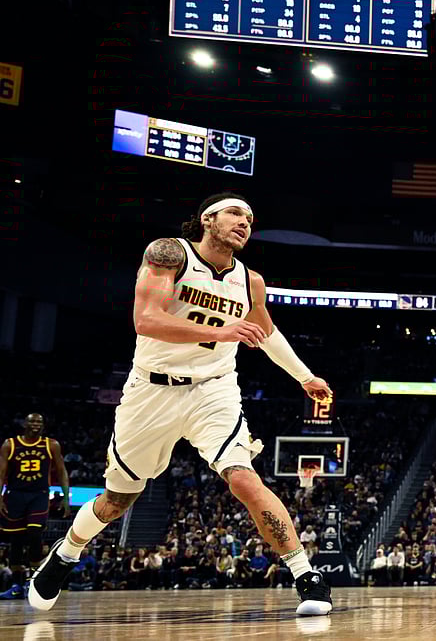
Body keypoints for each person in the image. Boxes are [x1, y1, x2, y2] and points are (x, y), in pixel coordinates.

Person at [27, 193, 333, 616]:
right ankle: (67, 552)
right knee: (117, 500)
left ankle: (306, 576)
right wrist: (224, 331)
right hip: (151, 391)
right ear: (208, 219)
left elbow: (268, 334)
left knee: (243, 478)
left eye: (250, 218)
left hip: (214, 389)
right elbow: (146, 320)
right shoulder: (169, 253)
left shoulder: (251, 281)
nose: (245, 222)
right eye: (235, 214)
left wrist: (305, 376)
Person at [0, 413, 70, 600]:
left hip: (38, 496)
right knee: (15, 541)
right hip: (14, 495)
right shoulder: (10, 444)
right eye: (32, 421)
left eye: (39, 421)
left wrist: (65, 498)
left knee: (34, 533)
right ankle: (16, 585)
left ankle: (34, 580)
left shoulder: (51, 445)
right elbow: (1, 473)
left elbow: (62, 470)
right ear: (24, 424)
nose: (35, 424)